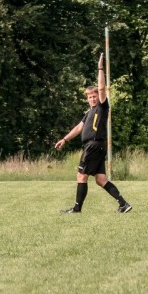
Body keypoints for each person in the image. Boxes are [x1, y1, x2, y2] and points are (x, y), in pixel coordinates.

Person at [55, 54, 132, 214]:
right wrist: (64, 139)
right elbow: (78, 128)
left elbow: (102, 88)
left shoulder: (102, 107)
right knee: (100, 179)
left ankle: (76, 209)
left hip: (93, 145)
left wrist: (100, 68)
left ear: (99, 97)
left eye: (94, 97)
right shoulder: (89, 112)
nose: (92, 99)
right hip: (96, 146)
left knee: (81, 176)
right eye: (90, 97)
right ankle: (123, 204)